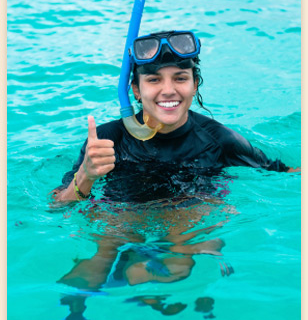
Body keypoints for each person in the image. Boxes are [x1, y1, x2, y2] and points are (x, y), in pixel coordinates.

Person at [52, 30, 299, 204]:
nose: (168, 90)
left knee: (181, 258)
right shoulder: (106, 140)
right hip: (123, 218)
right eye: (154, 79)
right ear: (136, 90)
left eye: (180, 78)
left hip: (188, 221)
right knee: (102, 257)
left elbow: (283, 174)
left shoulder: (220, 140)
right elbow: (58, 205)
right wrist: (86, 174)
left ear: (195, 85)